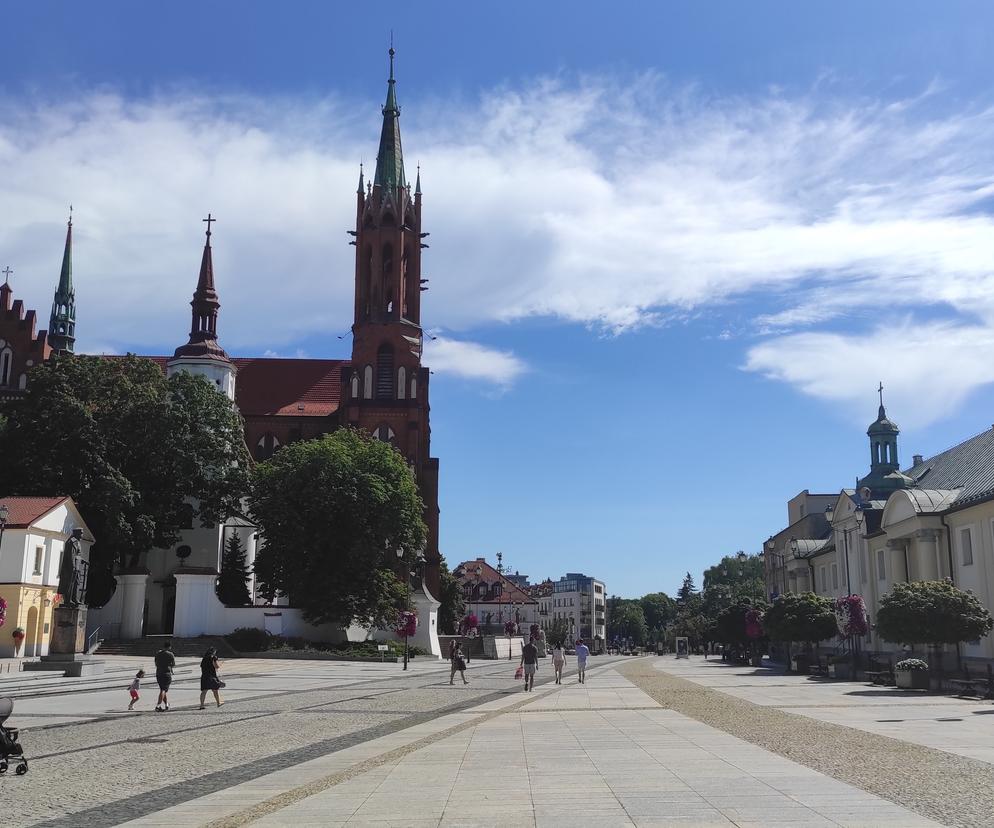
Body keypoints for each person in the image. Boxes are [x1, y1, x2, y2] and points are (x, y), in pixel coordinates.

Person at [154, 641, 175, 712]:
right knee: (163, 690)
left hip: (158, 673)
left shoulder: (158, 653)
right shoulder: (170, 654)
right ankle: (158, 705)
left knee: (162, 690)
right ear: (169, 647)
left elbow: (156, 663)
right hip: (166, 673)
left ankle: (166, 704)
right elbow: (173, 664)